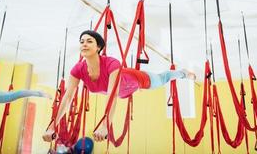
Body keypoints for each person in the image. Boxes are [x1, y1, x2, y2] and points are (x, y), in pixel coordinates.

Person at [42, 30, 196, 142]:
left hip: (138, 79)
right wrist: (53, 124)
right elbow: (68, 97)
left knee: (164, 78)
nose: (84, 44)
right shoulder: (77, 69)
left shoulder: (111, 63)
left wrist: (105, 124)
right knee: (127, 91)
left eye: (89, 41)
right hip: (124, 92)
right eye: (82, 41)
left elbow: (112, 94)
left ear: (98, 47)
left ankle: (183, 73)